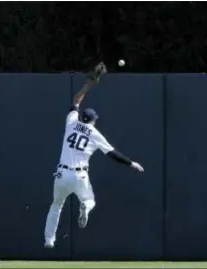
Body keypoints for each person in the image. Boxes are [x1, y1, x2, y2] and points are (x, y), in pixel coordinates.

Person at [44, 64, 144, 248]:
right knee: (89, 200)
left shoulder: (71, 123)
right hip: (80, 176)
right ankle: (85, 207)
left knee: (56, 206)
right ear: (92, 120)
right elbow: (113, 154)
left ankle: (49, 240)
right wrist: (131, 163)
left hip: (61, 174)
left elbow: (75, 102)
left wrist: (87, 86)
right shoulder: (94, 134)